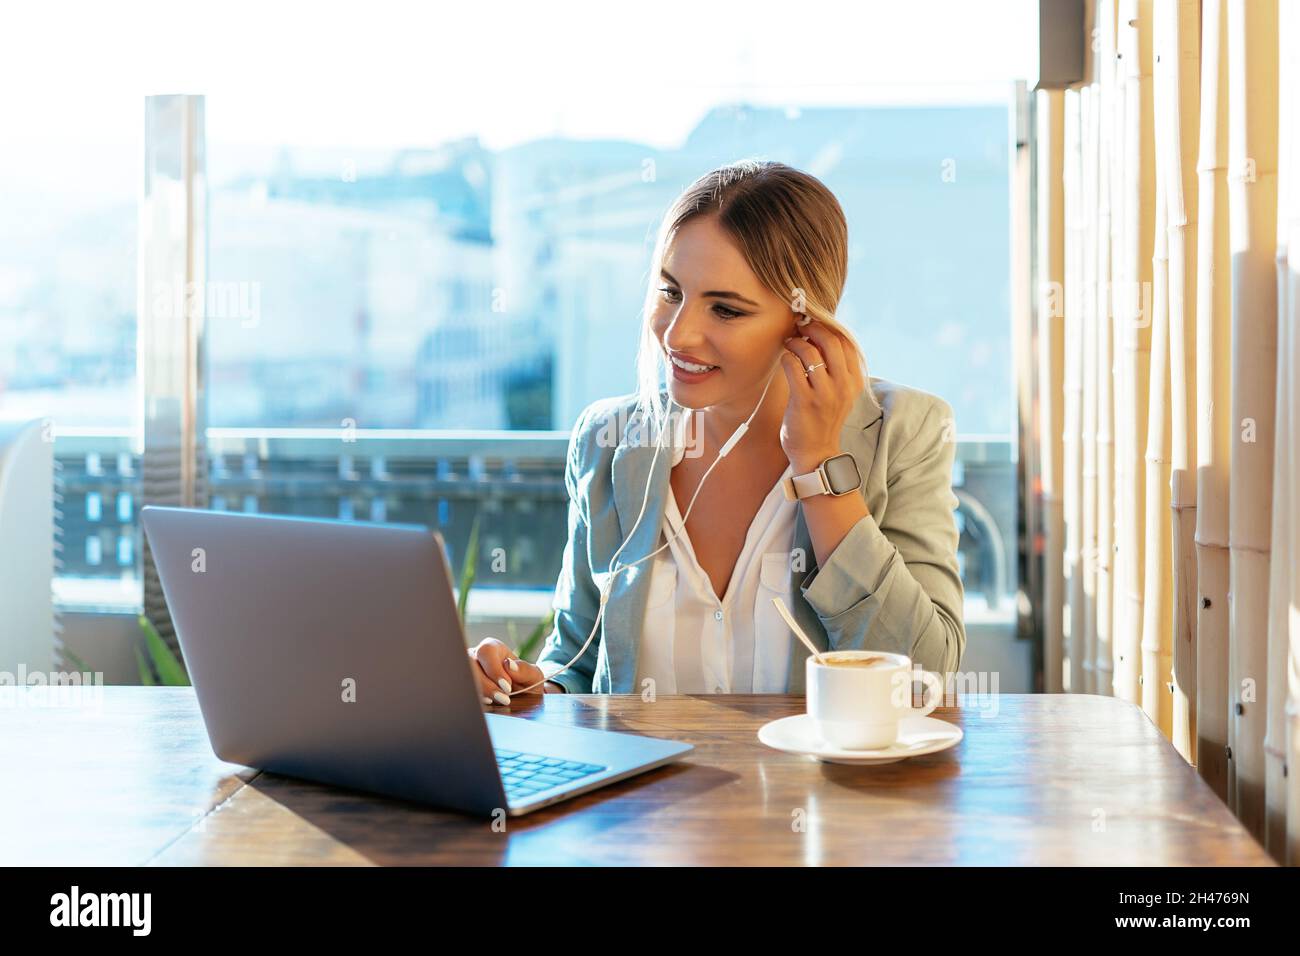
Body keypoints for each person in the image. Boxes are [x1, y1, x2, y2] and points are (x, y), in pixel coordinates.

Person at [467, 160, 965, 704]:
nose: (678, 335)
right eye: (671, 292)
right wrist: (523, 685)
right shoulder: (606, 440)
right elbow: (577, 662)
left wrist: (819, 463)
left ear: (808, 323)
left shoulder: (906, 431)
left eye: (725, 309)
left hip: (821, 790)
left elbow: (925, 683)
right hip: (645, 790)